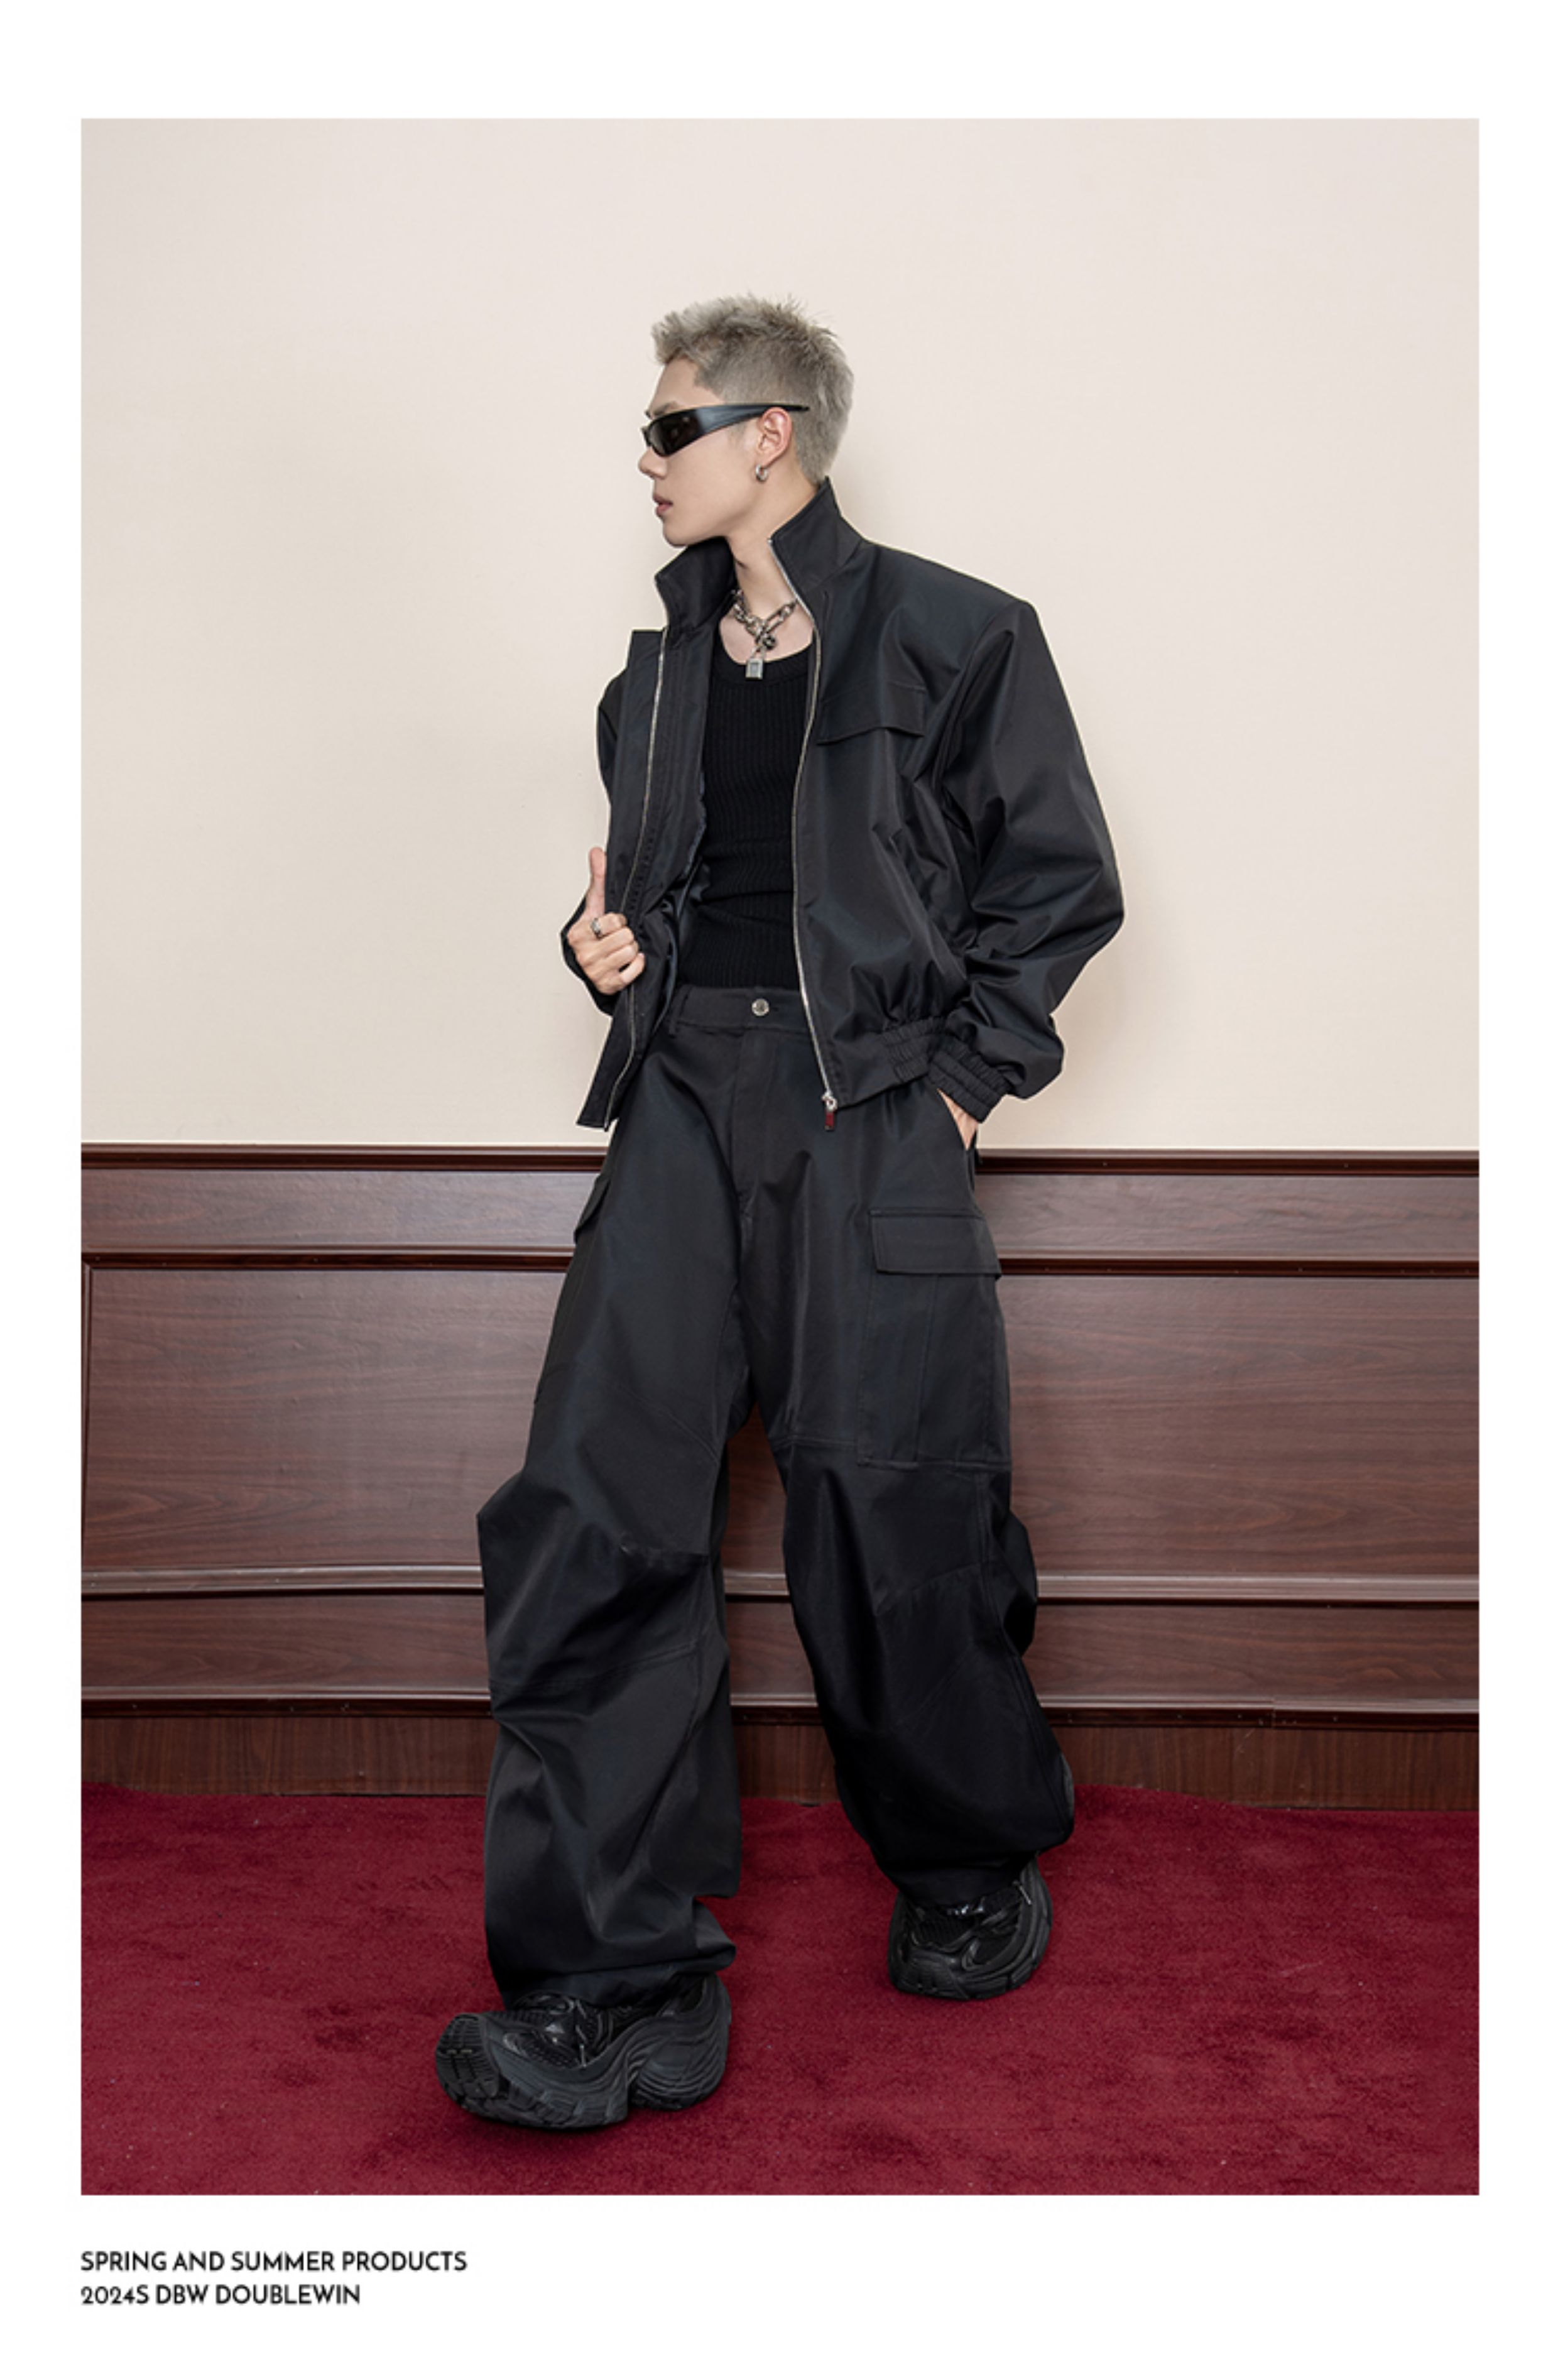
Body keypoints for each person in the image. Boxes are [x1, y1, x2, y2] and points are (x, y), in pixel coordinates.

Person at [436, 294, 1123, 2132]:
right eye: (648, 429)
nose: (645, 458)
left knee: (889, 1503)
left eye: (673, 426)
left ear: (773, 436)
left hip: (867, 1109)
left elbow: (1063, 883)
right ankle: (614, 1981)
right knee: (590, 1508)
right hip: (679, 1100)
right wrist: (607, 954)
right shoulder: (650, 681)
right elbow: (673, 901)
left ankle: (966, 1850)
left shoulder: (962, 634)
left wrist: (959, 1084)